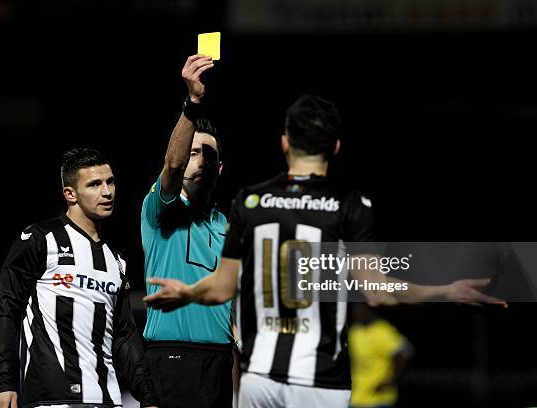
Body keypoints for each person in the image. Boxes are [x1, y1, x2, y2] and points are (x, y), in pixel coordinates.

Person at [143, 94, 505, 408]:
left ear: (285, 144)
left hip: (259, 377)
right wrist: (446, 290)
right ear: (335, 148)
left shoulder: (249, 203)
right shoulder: (351, 205)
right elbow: (377, 293)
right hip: (320, 378)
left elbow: (222, 289)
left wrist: (188, 292)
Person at [0, 148, 158, 408]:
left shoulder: (117, 261)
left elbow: (124, 336)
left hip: (108, 399)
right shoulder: (40, 239)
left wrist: (148, 398)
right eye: (94, 184)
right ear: (70, 194)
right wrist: (3, 383)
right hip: (52, 397)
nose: (107, 192)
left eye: (110, 182)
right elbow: (6, 311)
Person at [140, 54, 234, 408]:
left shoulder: (228, 225)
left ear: (220, 168)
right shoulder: (161, 210)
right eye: (194, 153)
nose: (201, 162)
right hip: (173, 359)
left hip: (221, 360)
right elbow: (173, 163)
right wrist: (192, 104)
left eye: (208, 156)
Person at [348, 303, 413, 408]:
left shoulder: (382, 330)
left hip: (378, 399)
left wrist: (391, 380)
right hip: (356, 398)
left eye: (358, 308)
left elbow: (405, 352)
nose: (355, 312)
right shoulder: (355, 330)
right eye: (353, 309)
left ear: (367, 308)